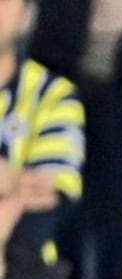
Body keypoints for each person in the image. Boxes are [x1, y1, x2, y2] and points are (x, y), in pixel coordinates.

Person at [0, 0, 85, 253]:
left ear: (26, 15)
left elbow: (49, 208)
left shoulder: (54, 95)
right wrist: (13, 181)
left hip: (22, 267)